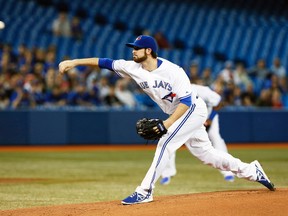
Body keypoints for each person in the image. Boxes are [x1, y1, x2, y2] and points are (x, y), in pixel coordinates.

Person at [58, 35, 275, 205]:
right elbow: (104, 62)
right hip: (179, 111)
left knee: (165, 142)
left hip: (192, 109)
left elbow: (187, 102)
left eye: (136, 48)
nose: (133, 51)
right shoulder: (132, 68)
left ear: (148, 51)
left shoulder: (174, 71)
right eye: (132, 48)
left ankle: (144, 191)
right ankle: (252, 170)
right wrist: (74, 62)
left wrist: (166, 124)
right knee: (208, 156)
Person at [160, 84, 235, 185]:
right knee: (168, 139)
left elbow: (219, 102)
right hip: (188, 119)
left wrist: (210, 119)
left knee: (215, 138)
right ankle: (167, 174)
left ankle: (228, 172)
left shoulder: (202, 90)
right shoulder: (174, 92)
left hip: (208, 117)